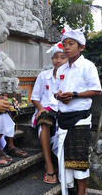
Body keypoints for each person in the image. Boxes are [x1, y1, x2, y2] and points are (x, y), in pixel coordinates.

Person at [54, 26, 102, 195]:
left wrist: (74, 95)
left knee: (79, 157)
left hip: (80, 118)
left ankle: (82, 192)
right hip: (63, 117)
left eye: (71, 44)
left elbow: (97, 91)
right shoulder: (61, 69)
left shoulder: (88, 66)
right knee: (65, 156)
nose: (66, 47)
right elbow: (56, 91)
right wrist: (60, 96)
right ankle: (68, 189)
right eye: (64, 44)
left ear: (81, 47)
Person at [31, 42, 67, 184]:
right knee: (45, 119)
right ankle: (49, 164)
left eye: (62, 57)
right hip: (45, 110)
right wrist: (40, 109)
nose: (58, 60)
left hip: (62, 111)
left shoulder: (70, 76)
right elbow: (35, 97)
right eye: (55, 57)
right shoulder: (43, 76)